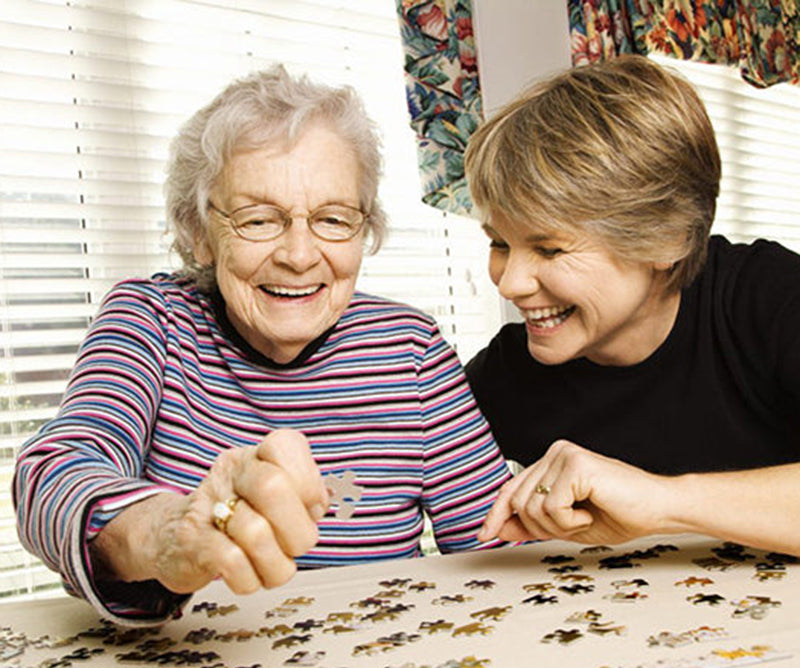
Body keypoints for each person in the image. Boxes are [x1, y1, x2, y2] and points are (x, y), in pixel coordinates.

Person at [13, 66, 510, 625]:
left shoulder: (411, 349)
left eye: (332, 219)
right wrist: (167, 533)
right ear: (199, 233)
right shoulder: (149, 320)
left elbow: (496, 544)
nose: (299, 255)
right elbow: (53, 473)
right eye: (257, 219)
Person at [463, 55, 800, 556]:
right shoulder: (507, 372)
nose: (510, 283)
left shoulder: (769, 298)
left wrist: (661, 503)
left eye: (550, 249)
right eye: (499, 243)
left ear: (667, 240)